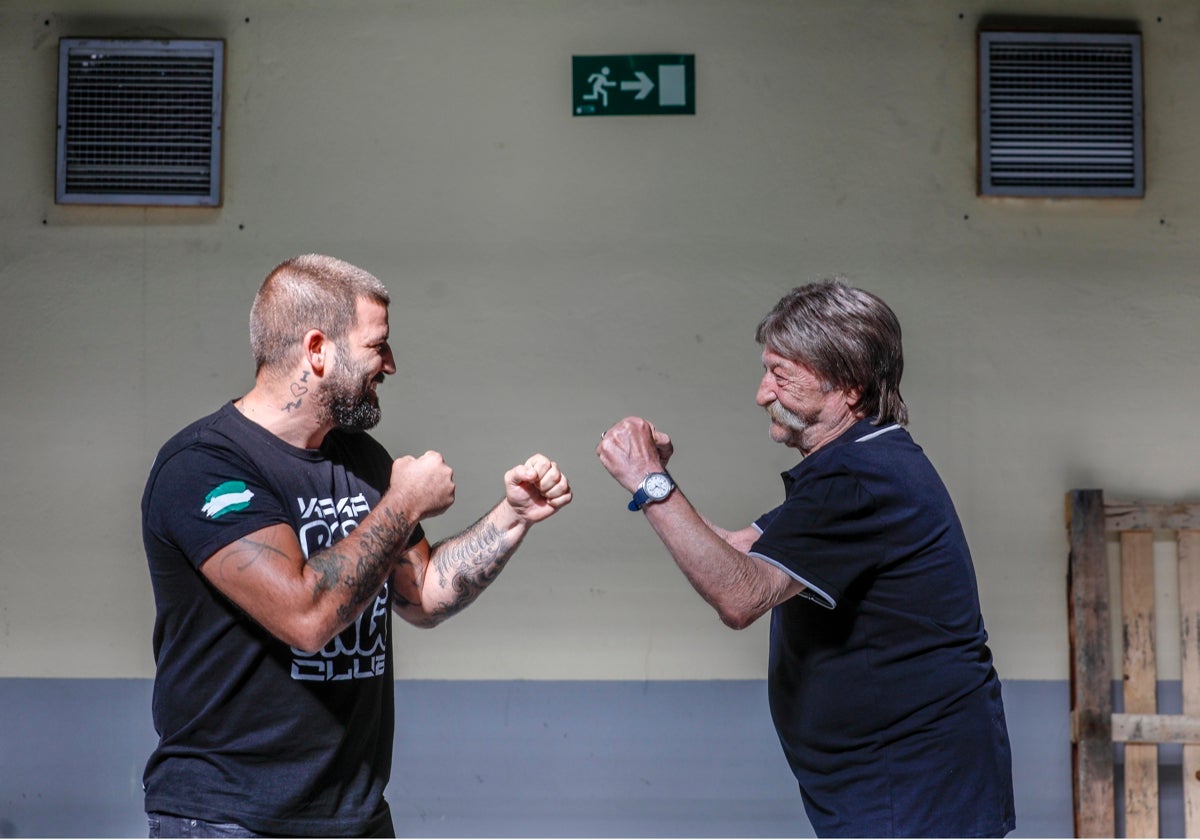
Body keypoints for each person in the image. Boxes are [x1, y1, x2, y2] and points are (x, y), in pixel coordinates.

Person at [141, 254, 572, 838]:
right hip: (227, 817)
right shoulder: (205, 467)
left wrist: (512, 517)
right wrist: (404, 504)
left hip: (354, 815)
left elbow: (423, 594)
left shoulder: (360, 458)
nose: (390, 364)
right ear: (317, 350)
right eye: (378, 346)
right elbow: (305, 616)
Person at [596, 279, 1015, 838]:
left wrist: (650, 483)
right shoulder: (860, 464)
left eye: (780, 374)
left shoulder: (860, 478)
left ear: (848, 387)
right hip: (888, 783)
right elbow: (739, 550)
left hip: (910, 787)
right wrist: (659, 483)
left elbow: (740, 596)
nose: (762, 393)